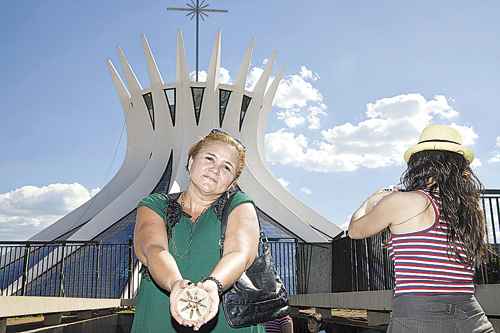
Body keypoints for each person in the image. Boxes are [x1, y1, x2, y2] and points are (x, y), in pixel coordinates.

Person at [348, 124, 495, 332]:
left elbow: (355, 230)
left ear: (419, 163)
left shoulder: (405, 201)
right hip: (471, 316)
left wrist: (372, 199)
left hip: (418, 316)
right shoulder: (469, 211)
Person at [132, 129, 264, 332]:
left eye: (226, 167)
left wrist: (213, 286)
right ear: (191, 161)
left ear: (232, 182)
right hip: (159, 316)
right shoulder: (154, 204)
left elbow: (240, 252)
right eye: (209, 158)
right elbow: (153, 248)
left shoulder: (240, 204)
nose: (215, 169)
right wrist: (176, 285)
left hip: (227, 322)